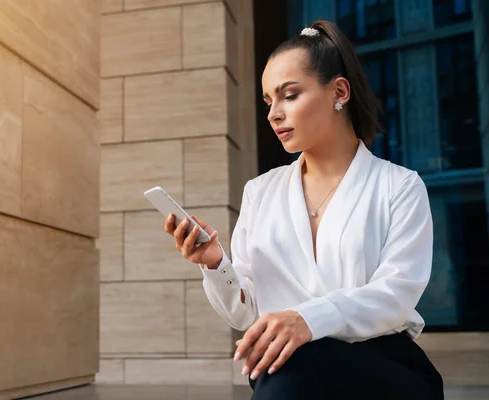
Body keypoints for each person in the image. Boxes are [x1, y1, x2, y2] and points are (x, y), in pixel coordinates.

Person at [164, 19, 444, 400]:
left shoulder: (399, 186)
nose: (273, 114)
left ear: (339, 92)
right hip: (287, 369)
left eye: (289, 95)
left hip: (384, 367)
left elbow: (395, 295)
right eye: (268, 102)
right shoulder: (260, 192)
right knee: (288, 365)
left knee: (292, 365)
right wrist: (214, 263)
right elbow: (247, 316)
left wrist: (307, 321)